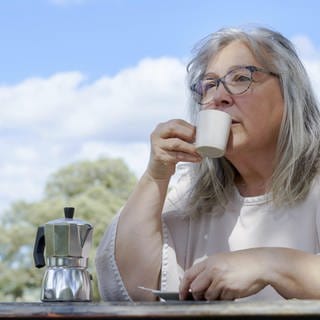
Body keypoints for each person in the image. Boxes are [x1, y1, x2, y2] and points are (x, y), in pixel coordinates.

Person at [95, 26, 320, 302]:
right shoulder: (190, 191)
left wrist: (269, 263)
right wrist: (156, 176)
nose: (218, 97)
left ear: (290, 94)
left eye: (240, 78)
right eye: (209, 84)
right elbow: (127, 290)